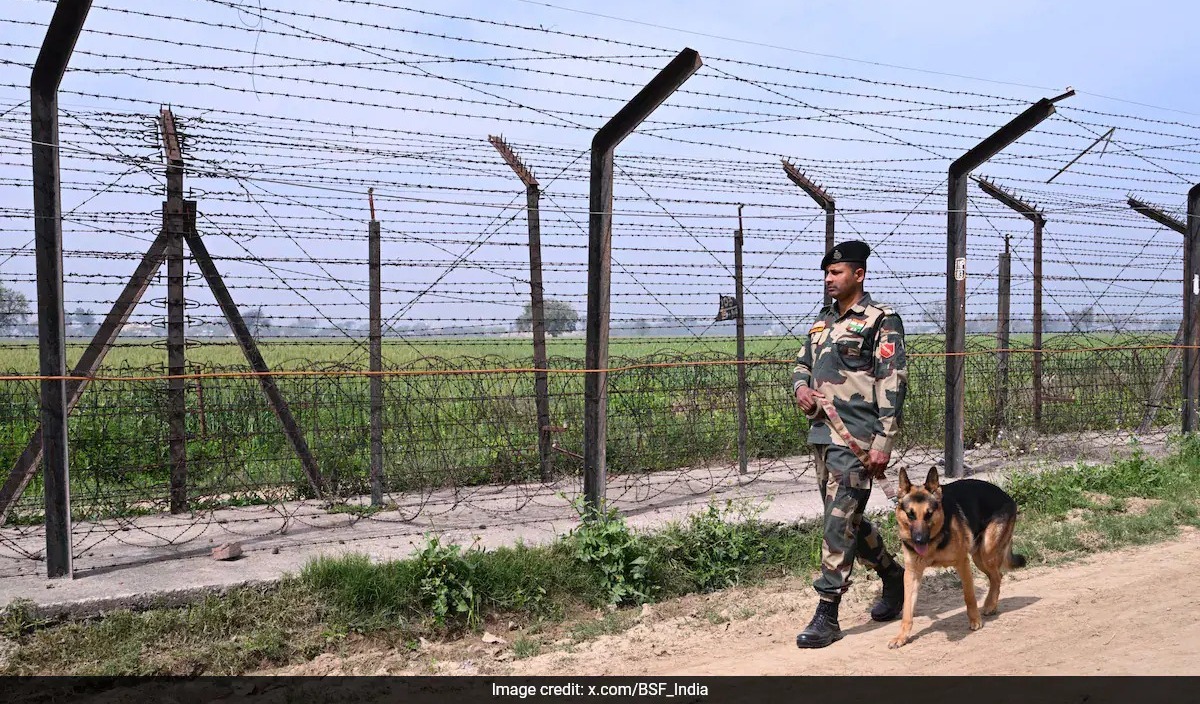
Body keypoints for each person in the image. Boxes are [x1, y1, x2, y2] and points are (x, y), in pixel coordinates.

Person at [791, 240, 908, 648]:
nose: (829, 278)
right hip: (823, 435)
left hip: (858, 438)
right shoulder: (821, 322)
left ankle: (827, 612)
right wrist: (801, 387)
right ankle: (893, 574)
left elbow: (892, 381)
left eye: (837, 272)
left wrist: (883, 441)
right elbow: (801, 364)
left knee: (838, 522)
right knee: (841, 520)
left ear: (858, 275)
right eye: (826, 273)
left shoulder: (881, 320)